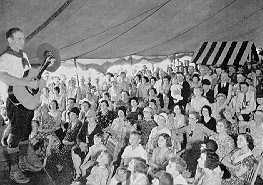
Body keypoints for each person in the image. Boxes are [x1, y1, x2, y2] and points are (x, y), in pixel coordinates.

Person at [0, 27, 45, 183]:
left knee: (25, 132)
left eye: (23, 38)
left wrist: (36, 96)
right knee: (15, 135)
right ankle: (14, 169)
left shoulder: (24, 55)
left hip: (27, 102)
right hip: (14, 102)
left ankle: (23, 162)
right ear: (10, 40)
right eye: (18, 38)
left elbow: (30, 78)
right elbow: (4, 76)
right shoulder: (5, 57)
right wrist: (26, 82)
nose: (22, 41)